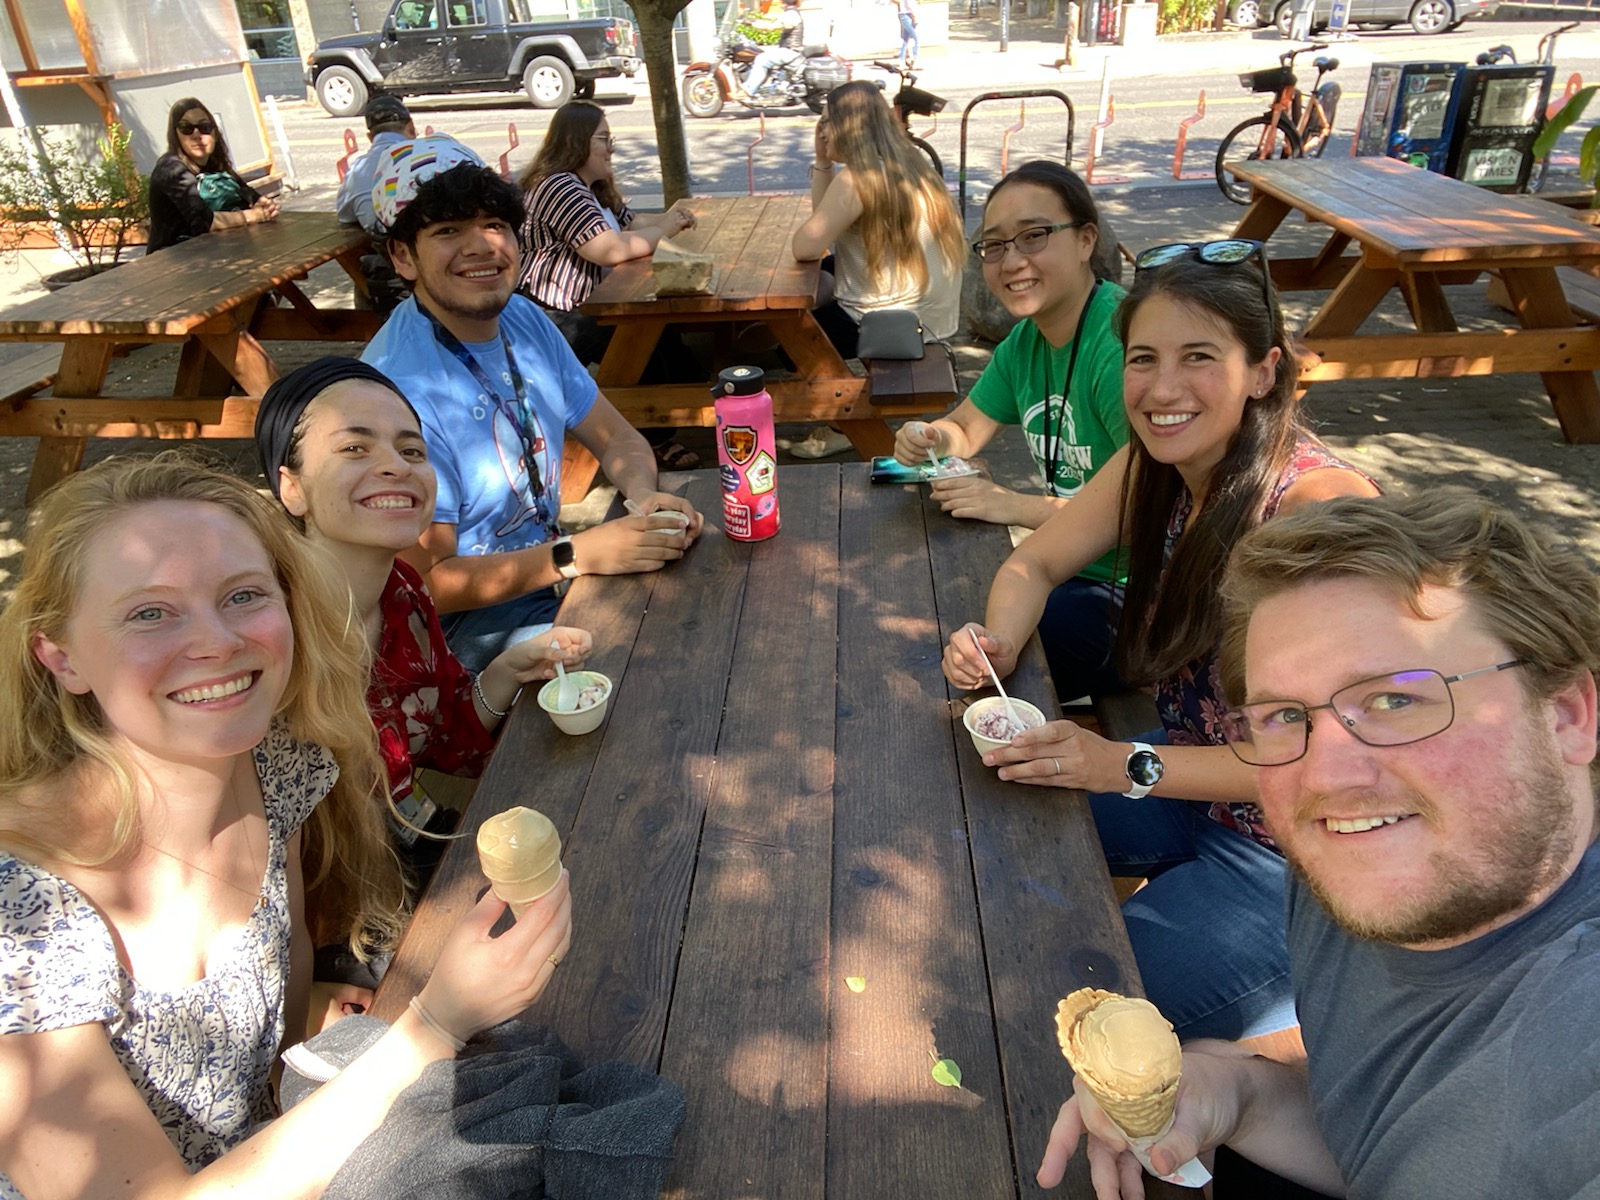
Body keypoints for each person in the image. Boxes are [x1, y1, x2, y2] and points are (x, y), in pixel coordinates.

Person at [0, 454, 573, 1198]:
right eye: (150, 611)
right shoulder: (22, 918)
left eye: (242, 595)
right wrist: (433, 1024)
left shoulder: (278, 768)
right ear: (60, 654)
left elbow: (283, 1034)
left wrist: (316, 1047)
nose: (216, 642)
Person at [1039, 491, 1600, 1199]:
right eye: (1283, 716)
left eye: (1397, 699)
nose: (1327, 776)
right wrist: (1244, 1093)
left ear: (1569, 714)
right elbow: (1386, 1145)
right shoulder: (1344, 864)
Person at [942, 243, 1379, 1043]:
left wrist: (1126, 764)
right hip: (1195, 784)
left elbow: (1336, 755)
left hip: (1304, 861)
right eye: (1143, 358)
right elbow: (1033, 561)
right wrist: (997, 645)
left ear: (1264, 370)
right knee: (982, 823)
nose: (1162, 389)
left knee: (1063, 1007)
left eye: (1199, 358)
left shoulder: (1318, 512)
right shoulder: (1156, 466)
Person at [361, 136, 702, 674]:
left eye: (493, 224)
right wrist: (578, 555)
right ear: (402, 255)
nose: (481, 246)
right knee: (652, 662)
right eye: (448, 230)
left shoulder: (522, 318)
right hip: (458, 630)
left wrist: (643, 499)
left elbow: (616, 438)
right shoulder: (398, 390)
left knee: (693, 600)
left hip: (545, 574)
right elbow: (423, 584)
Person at [255, 356, 593, 885]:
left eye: (412, 449)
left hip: (411, 856)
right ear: (291, 487)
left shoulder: (403, 593)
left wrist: (506, 670)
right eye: (353, 447)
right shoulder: (271, 639)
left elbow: (444, 742)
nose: (396, 466)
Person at [895, 161, 1129, 703]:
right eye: (995, 245)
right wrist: (929, 437)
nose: (1012, 261)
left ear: (1085, 240)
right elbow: (965, 428)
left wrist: (1009, 503)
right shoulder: (1026, 340)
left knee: (947, 663)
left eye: (1034, 236)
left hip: (1143, 597)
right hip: (1064, 567)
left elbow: (1148, 515)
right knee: (949, 625)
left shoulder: (1121, 349)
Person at [514, 102, 702, 468]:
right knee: (637, 334)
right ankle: (653, 435)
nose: (611, 146)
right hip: (553, 317)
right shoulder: (558, 186)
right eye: (603, 138)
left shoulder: (590, 187)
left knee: (659, 326)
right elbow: (609, 249)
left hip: (588, 305)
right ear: (577, 141)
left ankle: (689, 401)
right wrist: (665, 230)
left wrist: (671, 218)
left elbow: (629, 224)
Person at [789, 80, 965, 458]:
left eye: (825, 123)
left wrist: (823, 164)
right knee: (824, 274)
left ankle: (848, 423)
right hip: (930, 313)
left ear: (845, 128)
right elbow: (825, 224)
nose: (821, 131)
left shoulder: (857, 180)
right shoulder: (910, 163)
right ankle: (847, 419)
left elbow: (805, 245)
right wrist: (824, 163)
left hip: (890, 325)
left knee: (791, 332)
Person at [146, 97, 279, 254]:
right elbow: (204, 222)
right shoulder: (171, 170)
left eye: (204, 127)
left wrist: (264, 206)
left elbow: (250, 196)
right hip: (171, 260)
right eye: (186, 128)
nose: (196, 134)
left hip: (215, 251)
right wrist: (251, 216)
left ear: (214, 134)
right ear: (175, 135)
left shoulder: (215, 164)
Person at [336, 96, 417, 234]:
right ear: (411, 127)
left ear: (369, 137)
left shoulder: (356, 171)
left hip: (384, 248)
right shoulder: (430, 156)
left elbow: (345, 216)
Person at [741, 0, 805, 96]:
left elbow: (771, 27)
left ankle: (748, 90)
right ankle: (759, 88)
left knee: (762, 59)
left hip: (790, 51)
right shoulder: (790, 13)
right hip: (787, 50)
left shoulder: (791, 14)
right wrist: (753, 21)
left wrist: (750, 23)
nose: (780, 3)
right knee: (762, 56)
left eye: (781, 2)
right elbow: (771, 23)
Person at [896, 0, 920, 69]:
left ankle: (902, 62)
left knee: (905, 40)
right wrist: (914, 16)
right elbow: (909, 4)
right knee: (916, 39)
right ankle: (914, 60)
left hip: (904, 14)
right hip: (907, 15)